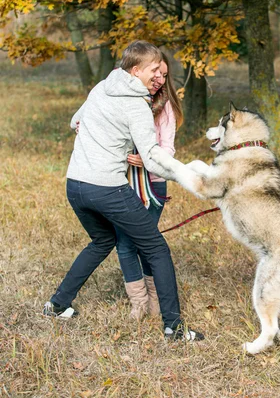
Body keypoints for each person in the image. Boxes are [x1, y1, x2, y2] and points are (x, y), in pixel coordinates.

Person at [43, 40, 203, 342]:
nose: (159, 76)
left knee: (102, 241)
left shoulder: (101, 88)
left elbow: (75, 121)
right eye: (155, 69)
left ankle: (57, 304)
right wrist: (188, 175)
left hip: (75, 185)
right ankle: (174, 327)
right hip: (107, 188)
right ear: (136, 70)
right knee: (156, 248)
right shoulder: (136, 104)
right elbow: (152, 155)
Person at [115, 52, 183, 319]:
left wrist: (147, 160)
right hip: (123, 183)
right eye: (156, 73)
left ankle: (155, 298)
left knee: (147, 241)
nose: (159, 79)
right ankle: (138, 301)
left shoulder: (164, 106)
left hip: (153, 185)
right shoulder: (124, 101)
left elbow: (168, 148)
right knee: (124, 243)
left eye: (164, 75)